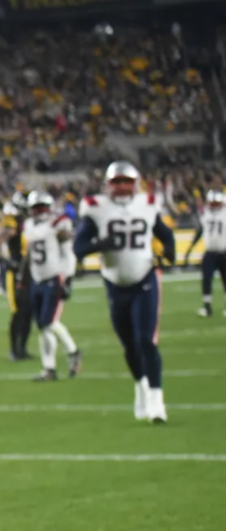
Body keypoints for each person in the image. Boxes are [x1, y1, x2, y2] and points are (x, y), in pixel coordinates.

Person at [75, 161, 176, 423]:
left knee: (146, 341)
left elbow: (166, 234)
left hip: (144, 278)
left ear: (135, 183)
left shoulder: (147, 204)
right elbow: (79, 247)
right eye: (117, 182)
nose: (121, 187)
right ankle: (141, 387)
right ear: (108, 185)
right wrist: (100, 244)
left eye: (126, 181)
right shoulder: (96, 208)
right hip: (114, 284)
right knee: (129, 345)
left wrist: (169, 252)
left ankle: (156, 400)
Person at [22, 191, 82, 381]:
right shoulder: (29, 225)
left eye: (42, 208)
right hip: (37, 279)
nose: (39, 212)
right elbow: (30, 253)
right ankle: (49, 368)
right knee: (42, 326)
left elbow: (68, 252)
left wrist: (68, 278)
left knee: (48, 322)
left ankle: (73, 352)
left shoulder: (57, 224)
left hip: (54, 278)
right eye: (36, 208)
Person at [0, 193, 32, 361]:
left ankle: (22, 348)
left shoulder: (28, 224)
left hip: (29, 271)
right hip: (14, 273)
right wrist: (6, 261)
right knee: (17, 311)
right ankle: (14, 350)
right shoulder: (11, 222)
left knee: (29, 311)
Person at [187, 190, 226, 317]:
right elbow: (200, 231)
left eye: (216, 203)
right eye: (212, 203)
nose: (214, 206)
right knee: (206, 279)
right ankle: (207, 307)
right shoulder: (206, 214)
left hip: (224, 252)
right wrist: (190, 248)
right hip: (210, 252)